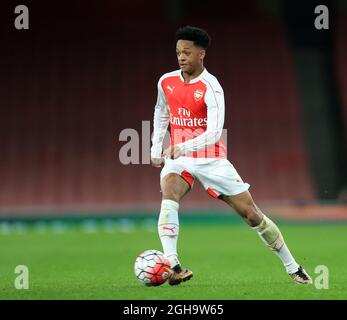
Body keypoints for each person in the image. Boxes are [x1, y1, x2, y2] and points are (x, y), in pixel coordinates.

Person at [150, 26, 312, 286]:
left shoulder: (212, 87)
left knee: (252, 215)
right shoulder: (166, 81)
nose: (181, 57)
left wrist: (183, 146)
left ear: (201, 54)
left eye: (187, 52)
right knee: (169, 192)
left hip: (212, 159)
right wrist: (156, 144)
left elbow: (215, 133)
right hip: (179, 158)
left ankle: (293, 266)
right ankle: (173, 263)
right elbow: (161, 111)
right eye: (178, 51)